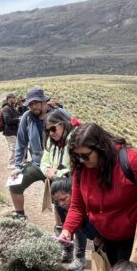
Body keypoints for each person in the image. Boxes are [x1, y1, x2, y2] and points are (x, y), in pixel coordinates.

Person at [58, 123, 137, 269]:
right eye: (76, 155)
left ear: (100, 149)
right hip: (105, 238)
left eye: (85, 155)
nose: (81, 160)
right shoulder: (82, 168)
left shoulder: (133, 162)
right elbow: (77, 205)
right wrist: (67, 230)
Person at [9, 86, 68, 217]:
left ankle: (61, 227)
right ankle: (20, 216)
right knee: (14, 185)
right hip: (36, 163)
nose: (33, 106)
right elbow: (21, 142)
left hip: (56, 164)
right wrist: (17, 166)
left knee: (60, 195)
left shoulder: (60, 114)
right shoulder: (27, 117)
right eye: (30, 104)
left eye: (36, 103)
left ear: (44, 101)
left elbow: (75, 132)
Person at [41, 109, 76, 256]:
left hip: (71, 183)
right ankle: (67, 248)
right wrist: (48, 171)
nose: (51, 133)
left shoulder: (73, 140)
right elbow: (44, 161)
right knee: (61, 211)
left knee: (74, 215)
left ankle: (78, 253)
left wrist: (56, 173)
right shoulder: (51, 142)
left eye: (53, 128)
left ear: (63, 124)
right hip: (57, 183)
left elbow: (74, 166)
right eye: (48, 130)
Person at [50, 176, 98, 271]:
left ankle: (82, 259)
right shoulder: (60, 206)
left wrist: (98, 237)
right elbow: (66, 223)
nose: (61, 203)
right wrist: (67, 237)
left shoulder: (86, 201)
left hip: (98, 227)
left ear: (73, 192)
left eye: (63, 199)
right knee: (74, 227)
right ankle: (70, 253)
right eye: (57, 201)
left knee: (102, 248)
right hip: (85, 228)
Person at [0, 92, 21, 163]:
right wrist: (19, 120)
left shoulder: (12, 107)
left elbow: (17, 115)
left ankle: (14, 162)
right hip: (9, 132)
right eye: (14, 97)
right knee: (13, 148)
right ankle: (10, 163)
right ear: (9, 99)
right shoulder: (6, 108)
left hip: (13, 131)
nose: (15, 99)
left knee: (13, 147)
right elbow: (7, 120)